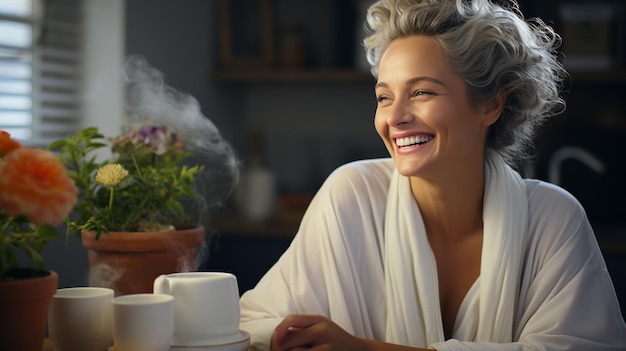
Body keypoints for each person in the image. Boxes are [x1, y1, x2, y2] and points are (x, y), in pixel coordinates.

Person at [239, 0, 626, 350]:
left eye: (422, 92)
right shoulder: (352, 195)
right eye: (384, 97)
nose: (394, 117)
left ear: (491, 103)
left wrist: (362, 349)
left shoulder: (552, 218)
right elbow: (250, 324)